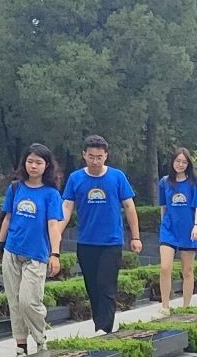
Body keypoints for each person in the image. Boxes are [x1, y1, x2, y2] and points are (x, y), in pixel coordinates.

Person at [60, 135, 142, 335]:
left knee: (106, 285)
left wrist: (136, 237)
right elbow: (67, 207)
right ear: (84, 155)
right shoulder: (75, 178)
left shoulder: (117, 177)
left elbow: (129, 206)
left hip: (111, 241)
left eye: (99, 157)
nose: (95, 161)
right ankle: (100, 326)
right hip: (86, 241)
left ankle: (105, 328)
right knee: (93, 287)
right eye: (91, 157)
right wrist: (56, 234)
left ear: (106, 155)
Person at [0, 144, 63, 354]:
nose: (33, 166)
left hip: (36, 254)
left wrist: (55, 254)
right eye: (30, 161)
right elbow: (7, 218)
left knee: (28, 301)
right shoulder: (15, 188)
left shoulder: (51, 194)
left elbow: (53, 225)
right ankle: (20, 345)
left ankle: (40, 338)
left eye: (38, 162)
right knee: (14, 302)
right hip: (12, 250)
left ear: (46, 165)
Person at [156, 147, 197, 316]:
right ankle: (165, 306)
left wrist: (196, 226)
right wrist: (163, 224)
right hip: (169, 229)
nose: (181, 164)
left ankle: (186, 307)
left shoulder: (194, 184)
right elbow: (163, 206)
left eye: (184, 162)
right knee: (165, 267)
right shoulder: (164, 182)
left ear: (188, 164)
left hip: (188, 230)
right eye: (178, 161)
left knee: (188, 270)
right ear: (172, 162)